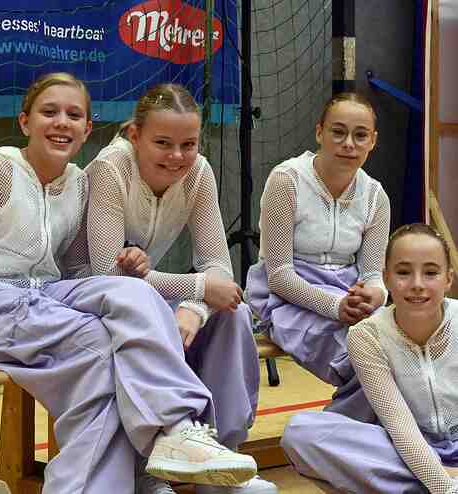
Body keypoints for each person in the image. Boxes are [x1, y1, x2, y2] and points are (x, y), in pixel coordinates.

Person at [0, 73, 258, 494]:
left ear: (88, 128)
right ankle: (152, 462)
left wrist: (157, 286)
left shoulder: (76, 183)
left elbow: (82, 272)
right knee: (104, 346)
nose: (61, 122)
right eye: (49, 112)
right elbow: (98, 269)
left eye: (73, 115)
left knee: (140, 297)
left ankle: (184, 440)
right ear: (25, 121)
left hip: (46, 297)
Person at [85, 83, 275, 494]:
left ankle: (221, 461)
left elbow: (219, 267)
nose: (176, 156)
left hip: (142, 293)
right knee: (141, 318)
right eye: (162, 143)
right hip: (89, 298)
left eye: (188, 144)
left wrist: (196, 306)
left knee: (234, 312)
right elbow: (106, 275)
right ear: (134, 135)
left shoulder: (198, 172)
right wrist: (200, 286)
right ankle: (144, 473)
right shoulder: (110, 168)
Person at [245, 92, 390, 421]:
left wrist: (374, 296)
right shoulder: (287, 181)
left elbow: (372, 275)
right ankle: (340, 435)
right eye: (338, 132)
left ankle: (341, 434)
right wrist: (337, 307)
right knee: (366, 359)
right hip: (288, 298)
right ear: (319, 132)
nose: (349, 144)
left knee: (398, 352)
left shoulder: (375, 196)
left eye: (360, 135)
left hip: (348, 297)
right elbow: (279, 276)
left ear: (372, 141)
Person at [282, 223, 458, 494]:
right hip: (406, 448)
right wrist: (444, 486)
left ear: (448, 279)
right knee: (301, 432)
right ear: (386, 279)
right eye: (403, 272)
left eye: (431, 273)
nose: (417, 284)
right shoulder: (366, 335)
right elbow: (400, 427)